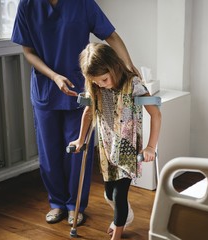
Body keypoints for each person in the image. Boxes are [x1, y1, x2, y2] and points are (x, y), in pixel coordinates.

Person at [11, 0, 139, 226]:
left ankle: (75, 205)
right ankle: (57, 203)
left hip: (80, 88)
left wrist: (129, 66)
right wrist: (54, 76)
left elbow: (111, 36)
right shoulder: (28, 5)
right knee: (49, 152)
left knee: (78, 150)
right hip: (46, 87)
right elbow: (28, 51)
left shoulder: (82, 3)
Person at [69, 42, 161, 240]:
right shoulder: (96, 87)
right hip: (106, 146)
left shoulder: (134, 84)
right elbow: (88, 113)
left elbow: (156, 114)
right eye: (95, 82)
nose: (101, 85)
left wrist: (150, 147)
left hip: (128, 148)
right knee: (109, 193)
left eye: (104, 80)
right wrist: (80, 140)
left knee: (119, 195)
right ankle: (125, 215)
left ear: (113, 67)